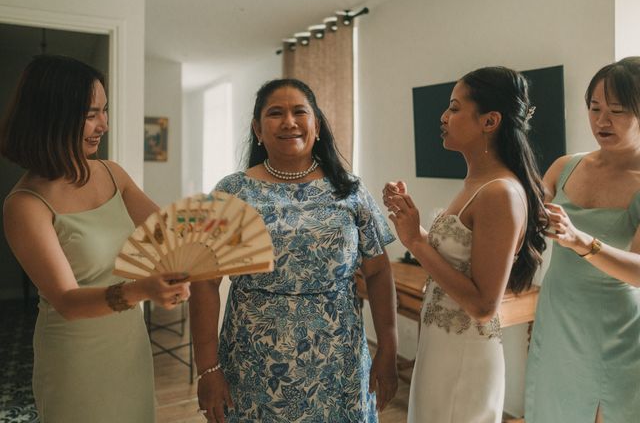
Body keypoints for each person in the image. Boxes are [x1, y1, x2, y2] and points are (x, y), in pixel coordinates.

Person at [190, 78, 398, 422]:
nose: (289, 121)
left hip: (339, 364)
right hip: (255, 364)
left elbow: (378, 272)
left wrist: (388, 348)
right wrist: (208, 368)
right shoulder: (232, 192)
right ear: (258, 129)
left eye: (300, 112)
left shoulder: (350, 191)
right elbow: (204, 283)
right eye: (275, 113)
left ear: (316, 125)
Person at [0, 55, 191, 423]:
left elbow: (168, 232)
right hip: (76, 359)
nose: (104, 124)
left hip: (129, 347)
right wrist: (144, 290)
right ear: (50, 116)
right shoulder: (25, 204)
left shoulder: (112, 173)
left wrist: (212, 230)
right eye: (90, 114)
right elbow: (68, 302)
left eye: (104, 111)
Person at [384, 66, 547, 423]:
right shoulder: (477, 183)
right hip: (442, 346)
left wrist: (415, 241)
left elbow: (484, 305)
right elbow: (457, 260)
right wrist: (411, 223)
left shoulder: (500, 192)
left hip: (464, 356)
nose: (443, 117)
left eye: (455, 108)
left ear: (489, 121)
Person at [525, 57, 640, 423]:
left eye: (617, 111)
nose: (601, 121)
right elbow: (525, 218)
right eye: (594, 108)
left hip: (617, 329)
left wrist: (580, 241)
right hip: (558, 315)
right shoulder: (565, 165)